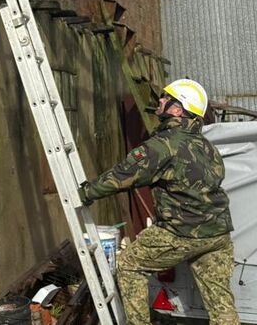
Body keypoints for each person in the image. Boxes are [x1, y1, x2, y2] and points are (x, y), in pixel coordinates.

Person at [78, 78, 239, 325]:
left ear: (177, 110)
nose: (160, 101)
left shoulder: (163, 145)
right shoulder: (207, 146)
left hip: (182, 232)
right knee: (220, 303)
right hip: (218, 234)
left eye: (166, 99)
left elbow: (122, 176)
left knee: (130, 265)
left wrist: (85, 193)